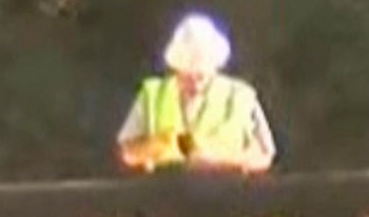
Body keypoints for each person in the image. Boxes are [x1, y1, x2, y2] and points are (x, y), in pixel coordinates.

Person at [114, 12, 276, 175]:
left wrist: (220, 159)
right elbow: (128, 150)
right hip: (165, 192)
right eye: (188, 76)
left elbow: (264, 154)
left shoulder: (241, 96)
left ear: (215, 66)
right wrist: (159, 147)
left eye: (201, 76)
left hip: (228, 193)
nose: (195, 83)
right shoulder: (152, 94)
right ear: (176, 67)